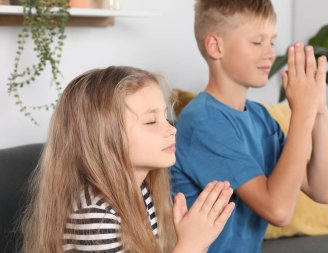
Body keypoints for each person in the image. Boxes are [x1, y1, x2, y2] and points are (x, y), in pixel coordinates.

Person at [170, 0, 328, 252]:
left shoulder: (260, 117)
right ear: (216, 46)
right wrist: (302, 113)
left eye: (271, 41)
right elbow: (278, 211)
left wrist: (319, 111)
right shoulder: (203, 123)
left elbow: (322, 191)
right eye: (257, 42)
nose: (271, 52)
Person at [20, 66, 235, 253]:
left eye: (166, 117)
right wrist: (190, 245)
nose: (171, 129)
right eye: (151, 121)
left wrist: (200, 240)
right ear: (105, 138)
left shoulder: (140, 193)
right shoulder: (96, 217)